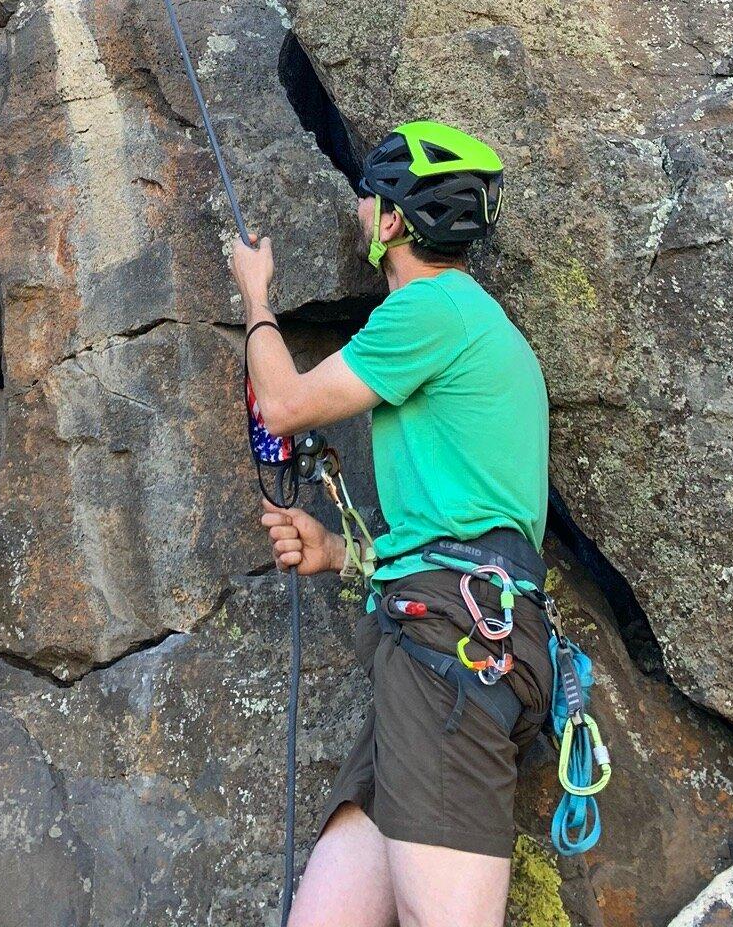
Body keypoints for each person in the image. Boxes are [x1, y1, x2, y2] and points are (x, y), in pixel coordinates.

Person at [231, 120, 553, 927]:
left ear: (396, 220)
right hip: (435, 642)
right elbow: (461, 527)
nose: (359, 214)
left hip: (451, 650)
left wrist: (256, 299)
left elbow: (284, 404)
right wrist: (340, 552)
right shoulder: (468, 323)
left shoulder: (434, 308)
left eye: (367, 200)